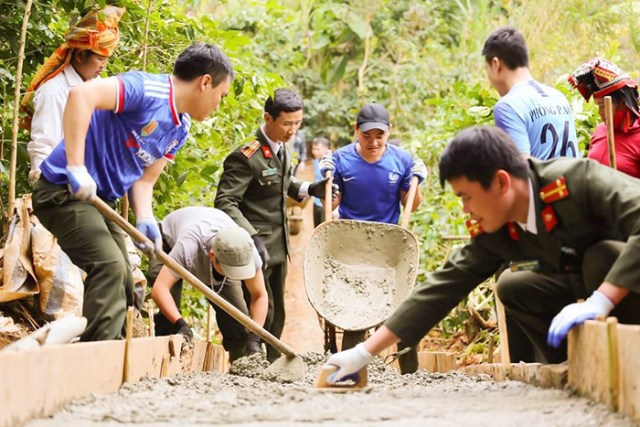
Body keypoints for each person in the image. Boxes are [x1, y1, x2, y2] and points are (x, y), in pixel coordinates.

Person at [323, 126, 640, 383]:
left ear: (501, 181)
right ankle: (569, 369)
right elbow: (443, 287)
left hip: (625, 292)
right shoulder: (500, 227)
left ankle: (628, 367)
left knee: (603, 256)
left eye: (467, 197)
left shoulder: (576, 180)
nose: (466, 209)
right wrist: (363, 353)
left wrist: (602, 300)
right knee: (515, 285)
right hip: (583, 284)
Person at [32, 43, 234, 342]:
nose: (219, 104)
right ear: (205, 82)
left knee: (126, 279)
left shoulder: (180, 128)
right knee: (110, 267)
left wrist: (146, 220)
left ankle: (116, 354)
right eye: (222, 96)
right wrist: (76, 166)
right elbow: (80, 96)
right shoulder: (145, 89)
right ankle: (95, 362)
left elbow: (144, 180)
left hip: (100, 202)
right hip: (62, 190)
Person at [215, 88, 336, 362]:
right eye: (286, 123)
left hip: (279, 246)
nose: (293, 130)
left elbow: (281, 184)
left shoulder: (282, 146)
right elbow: (225, 202)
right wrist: (250, 237)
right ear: (268, 118)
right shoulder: (246, 156)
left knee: (277, 310)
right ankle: (247, 362)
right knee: (258, 308)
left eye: (297, 123)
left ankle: (270, 362)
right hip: (255, 248)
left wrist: (310, 189)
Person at [318, 102, 427, 374]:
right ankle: (345, 371)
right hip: (350, 247)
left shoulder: (401, 160)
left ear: (389, 132)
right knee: (353, 313)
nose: (373, 142)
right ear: (356, 131)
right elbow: (332, 203)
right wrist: (327, 184)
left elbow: (411, 205)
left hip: (387, 249)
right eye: (367, 136)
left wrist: (416, 179)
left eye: (379, 136)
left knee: (404, 313)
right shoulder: (342, 160)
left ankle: (410, 375)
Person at [149, 207, 268, 361]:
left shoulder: (245, 251)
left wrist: (255, 337)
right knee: (169, 314)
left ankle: (242, 365)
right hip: (168, 241)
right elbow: (160, 289)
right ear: (212, 256)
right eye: (229, 269)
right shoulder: (188, 247)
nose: (234, 275)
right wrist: (181, 325)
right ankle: (164, 363)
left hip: (217, 245)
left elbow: (259, 295)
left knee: (237, 322)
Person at [22, 5, 125, 181]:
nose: (103, 66)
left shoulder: (97, 85)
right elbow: (43, 146)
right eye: (100, 59)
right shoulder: (53, 92)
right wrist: (47, 187)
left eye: (106, 60)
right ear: (80, 56)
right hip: (63, 184)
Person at [483, 26, 579, 160]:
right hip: (571, 180)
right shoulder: (558, 97)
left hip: (544, 182)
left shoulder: (508, 107)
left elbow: (520, 171)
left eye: (487, 69)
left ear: (495, 64)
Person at [569, 59, 640, 178]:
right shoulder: (600, 130)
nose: (600, 112)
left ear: (623, 103)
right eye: (598, 106)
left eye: (603, 106)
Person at [310, 136, 330, 227]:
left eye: (318, 149)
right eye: (314, 149)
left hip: (325, 203)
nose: (315, 152)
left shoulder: (329, 165)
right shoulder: (315, 161)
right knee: (316, 228)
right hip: (316, 201)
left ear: (326, 149)